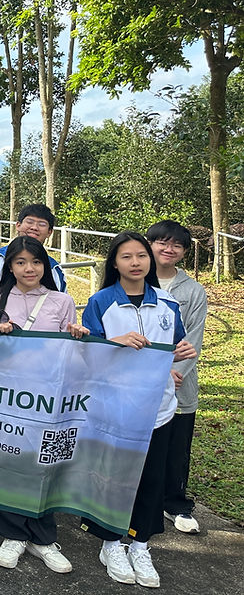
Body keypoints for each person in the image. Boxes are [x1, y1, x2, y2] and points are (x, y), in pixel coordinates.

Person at [81, 232, 197, 588]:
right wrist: (111, 342)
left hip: (158, 409)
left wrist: (179, 357)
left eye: (141, 256)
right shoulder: (101, 302)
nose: (136, 263)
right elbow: (85, 352)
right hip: (115, 410)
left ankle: (140, 544)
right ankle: (111, 543)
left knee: (151, 479)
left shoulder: (167, 304)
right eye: (126, 256)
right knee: (114, 478)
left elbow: (173, 346)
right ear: (114, 263)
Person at [0, 236, 88, 574]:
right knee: (8, 462)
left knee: (45, 464)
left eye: (36, 262)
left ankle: (42, 538)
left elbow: (73, 356)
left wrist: (77, 337)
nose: (29, 268)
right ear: (9, 266)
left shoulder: (62, 301)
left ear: (46, 266)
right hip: (7, 398)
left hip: (48, 400)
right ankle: (11, 534)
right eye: (21, 262)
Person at [146, 221, 207, 535]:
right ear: (150, 243)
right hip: (138, 381)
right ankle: (137, 500)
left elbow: (193, 339)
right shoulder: (132, 279)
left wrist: (174, 374)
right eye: (162, 243)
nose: (168, 250)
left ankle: (175, 504)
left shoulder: (193, 291)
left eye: (176, 246)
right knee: (138, 444)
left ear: (183, 252)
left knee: (176, 445)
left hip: (179, 382)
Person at [0, 204, 67, 316]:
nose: (34, 227)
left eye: (42, 224)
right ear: (18, 225)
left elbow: (62, 311)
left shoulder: (54, 269)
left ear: (50, 232)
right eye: (29, 222)